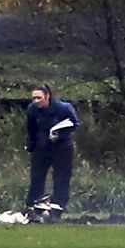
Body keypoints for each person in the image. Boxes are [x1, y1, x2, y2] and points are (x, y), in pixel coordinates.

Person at [24, 84, 80, 219]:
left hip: (62, 149)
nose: (36, 101)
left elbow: (74, 124)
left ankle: (57, 209)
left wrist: (59, 135)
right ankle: (33, 207)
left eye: (39, 98)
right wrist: (30, 146)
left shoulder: (63, 108)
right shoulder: (32, 110)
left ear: (47, 96)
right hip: (41, 148)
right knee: (36, 178)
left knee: (61, 178)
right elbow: (30, 129)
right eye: (34, 98)